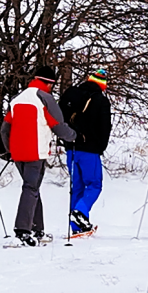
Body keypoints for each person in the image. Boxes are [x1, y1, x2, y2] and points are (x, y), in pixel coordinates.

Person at [0, 73, 72, 245]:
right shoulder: (45, 98)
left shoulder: (17, 99)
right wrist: (73, 136)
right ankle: (22, 230)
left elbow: (5, 129)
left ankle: (37, 229)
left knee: (32, 189)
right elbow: (57, 125)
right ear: (48, 83)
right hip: (36, 151)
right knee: (31, 188)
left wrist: (10, 150)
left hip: (18, 152)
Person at [58, 66, 114, 237]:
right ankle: (80, 212)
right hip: (90, 149)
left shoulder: (70, 94)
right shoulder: (101, 101)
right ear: (102, 85)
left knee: (77, 187)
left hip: (71, 148)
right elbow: (105, 127)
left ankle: (78, 227)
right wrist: (100, 147)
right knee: (94, 184)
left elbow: (58, 117)